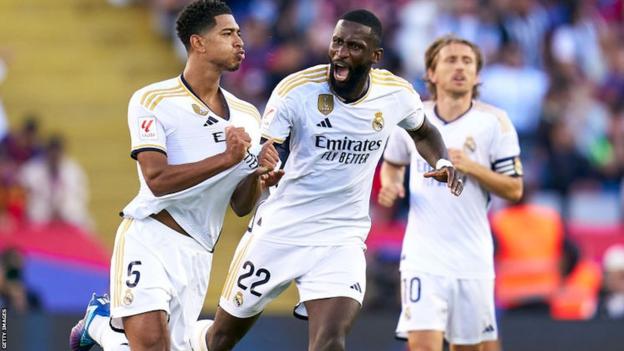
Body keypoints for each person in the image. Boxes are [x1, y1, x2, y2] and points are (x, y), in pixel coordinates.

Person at [197, 9, 463, 351]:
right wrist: (262, 170)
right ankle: (187, 338)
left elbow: (424, 131)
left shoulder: (396, 94)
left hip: (342, 237)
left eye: (353, 46)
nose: (340, 53)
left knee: (330, 342)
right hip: (282, 230)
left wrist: (441, 159)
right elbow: (263, 157)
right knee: (221, 339)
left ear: (375, 56)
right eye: (337, 42)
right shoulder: (296, 91)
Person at [69, 1, 281, 350]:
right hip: (151, 236)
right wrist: (227, 158)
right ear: (198, 43)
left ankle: (102, 326)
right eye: (228, 33)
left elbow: (241, 206)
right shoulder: (153, 100)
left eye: (239, 34)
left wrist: (258, 177)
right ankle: (106, 328)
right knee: (151, 344)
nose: (240, 41)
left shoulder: (247, 116)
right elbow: (157, 179)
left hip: (198, 253)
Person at [378, 36, 523, 351]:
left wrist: (472, 167)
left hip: (472, 258)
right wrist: (391, 182)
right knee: (423, 345)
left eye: (467, 61)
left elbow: (515, 189)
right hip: (423, 255)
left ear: (478, 74)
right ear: (431, 72)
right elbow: (392, 164)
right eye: (450, 60)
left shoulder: (495, 122)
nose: (460, 67)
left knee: (468, 347)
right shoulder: (412, 119)